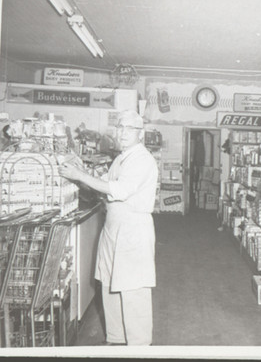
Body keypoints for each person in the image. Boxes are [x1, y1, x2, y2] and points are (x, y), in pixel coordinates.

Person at [59, 110, 159, 346]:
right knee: (110, 283)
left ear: (140, 133)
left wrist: (80, 175)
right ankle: (115, 338)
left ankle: (140, 345)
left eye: (130, 128)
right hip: (113, 225)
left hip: (133, 228)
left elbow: (120, 190)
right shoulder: (121, 157)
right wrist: (83, 173)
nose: (123, 132)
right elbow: (106, 187)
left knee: (133, 289)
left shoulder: (142, 159)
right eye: (120, 127)